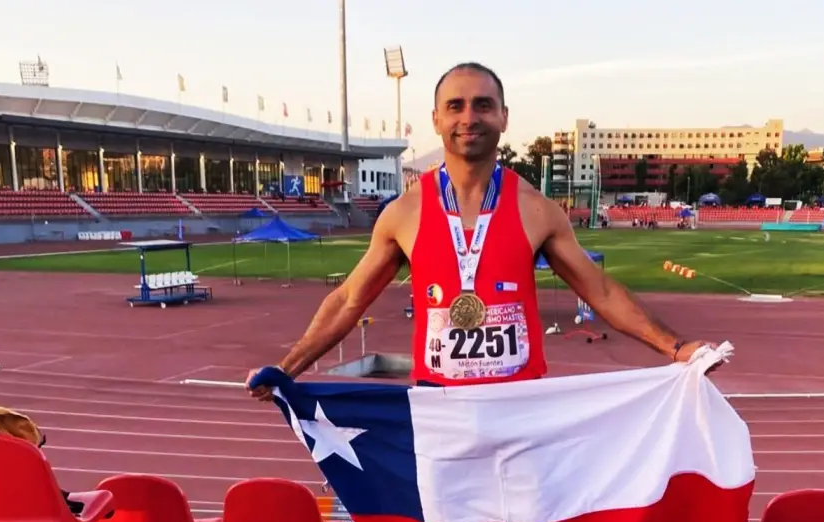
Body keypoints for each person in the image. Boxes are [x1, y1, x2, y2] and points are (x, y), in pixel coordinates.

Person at [247, 62, 718, 398]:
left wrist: (676, 348)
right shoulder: (404, 213)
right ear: (436, 120)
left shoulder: (538, 210)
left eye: (483, 105)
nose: (468, 117)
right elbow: (349, 300)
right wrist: (288, 367)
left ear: (504, 118)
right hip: (438, 411)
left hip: (518, 411)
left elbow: (602, 293)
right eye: (455, 106)